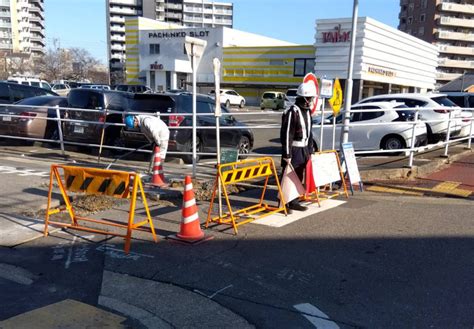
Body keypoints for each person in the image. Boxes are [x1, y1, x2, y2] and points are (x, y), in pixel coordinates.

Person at [280, 81, 317, 212]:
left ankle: (294, 200)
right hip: (294, 149)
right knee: (288, 176)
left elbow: (310, 133)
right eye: (310, 98)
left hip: (304, 148)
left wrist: (310, 150)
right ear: (305, 98)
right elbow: (286, 135)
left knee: (299, 175)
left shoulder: (307, 112)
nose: (312, 100)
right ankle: (284, 202)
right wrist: (287, 154)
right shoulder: (292, 112)